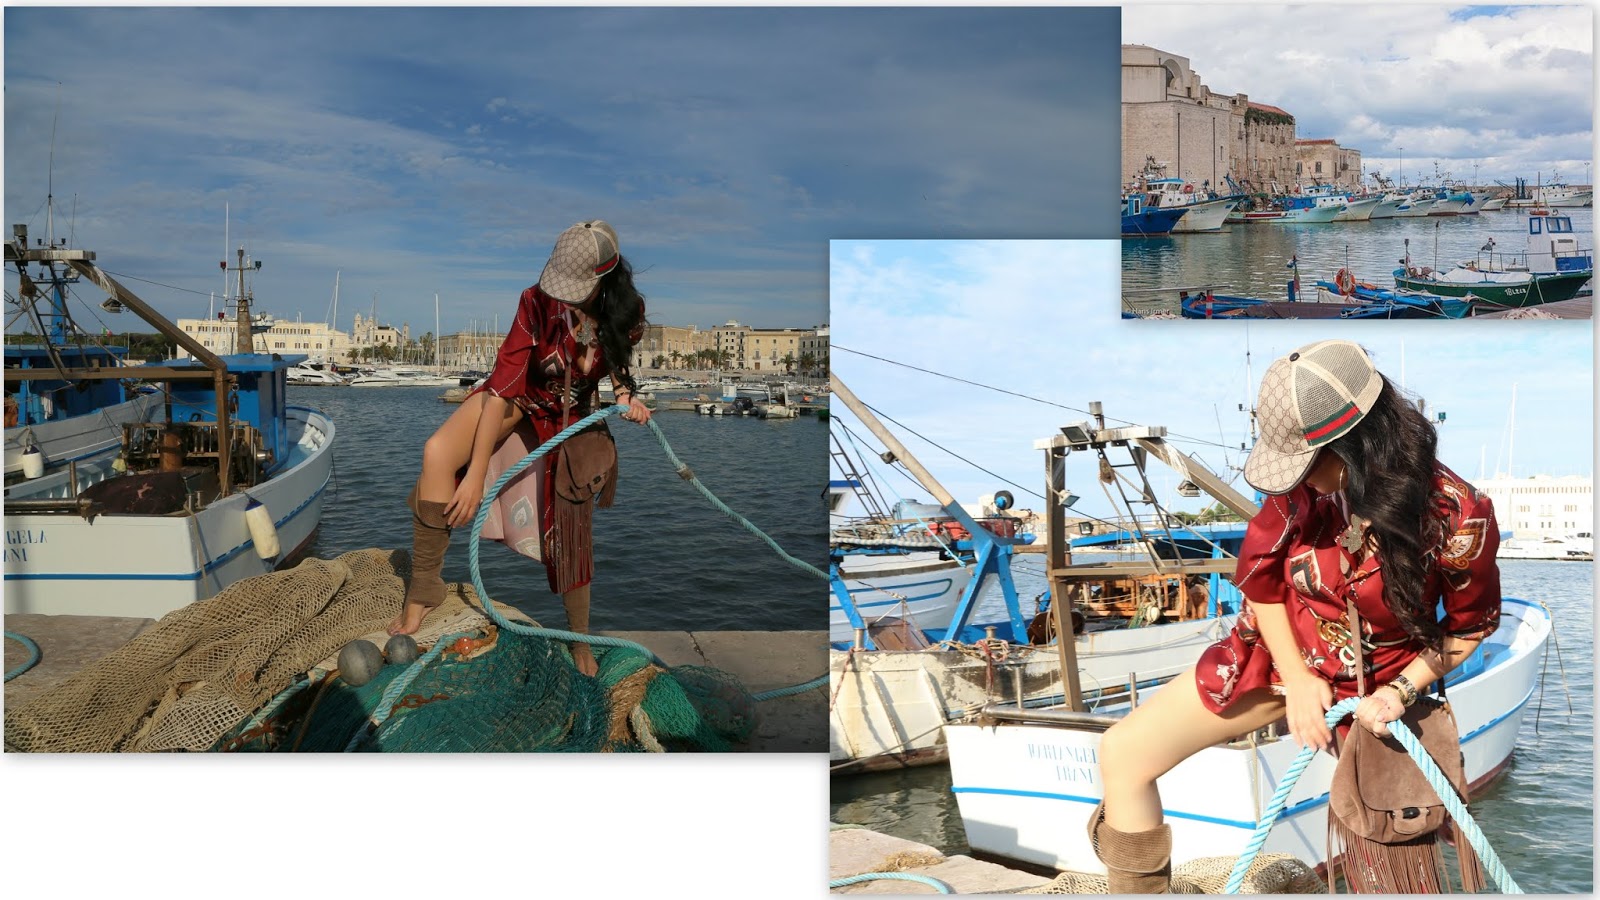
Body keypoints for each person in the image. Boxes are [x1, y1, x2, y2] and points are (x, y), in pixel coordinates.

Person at [1088, 339, 1501, 893]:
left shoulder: (1457, 513)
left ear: (1356, 443)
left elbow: (1469, 625)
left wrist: (1401, 691)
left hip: (1383, 684)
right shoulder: (1299, 490)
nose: (1296, 478)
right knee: (1123, 752)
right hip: (1278, 654)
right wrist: (1300, 678)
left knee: (1389, 869)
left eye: (1308, 462)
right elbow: (1261, 580)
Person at [389, 220, 651, 678]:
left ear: (604, 278)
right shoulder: (533, 301)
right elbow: (503, 386)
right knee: (437, 452)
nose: (564, 295)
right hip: (518, 401)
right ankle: (424, 588)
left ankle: (580, 639)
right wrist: (472, 475)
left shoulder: (628, 313)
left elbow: (618, 366)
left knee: (572, 528)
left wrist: (626, 395)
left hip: (571, 416)